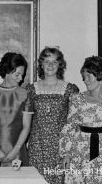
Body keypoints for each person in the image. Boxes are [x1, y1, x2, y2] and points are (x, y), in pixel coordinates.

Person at [26, 47, 79, 183]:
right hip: (37, 147)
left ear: (60, 65)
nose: (50, 65)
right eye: (47, 61)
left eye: (54, 62)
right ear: (41, 64)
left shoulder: (70, 89)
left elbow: (74, 124)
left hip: (60, 147)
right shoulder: (30, 89)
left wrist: (68, 152)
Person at [59, 56, 102, 183]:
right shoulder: (76, 98)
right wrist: (66, 153)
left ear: (100, 75)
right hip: (79, 150)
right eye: (84, 76)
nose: (85, 80)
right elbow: (69, 126)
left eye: (89, 76)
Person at [0, 52, 33, 167]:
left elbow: (26, 126)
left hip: (17, 153)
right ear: (7, 71)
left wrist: (15, 150)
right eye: (17, 74)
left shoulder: (25, 94)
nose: (21, 79)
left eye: (22, 75)